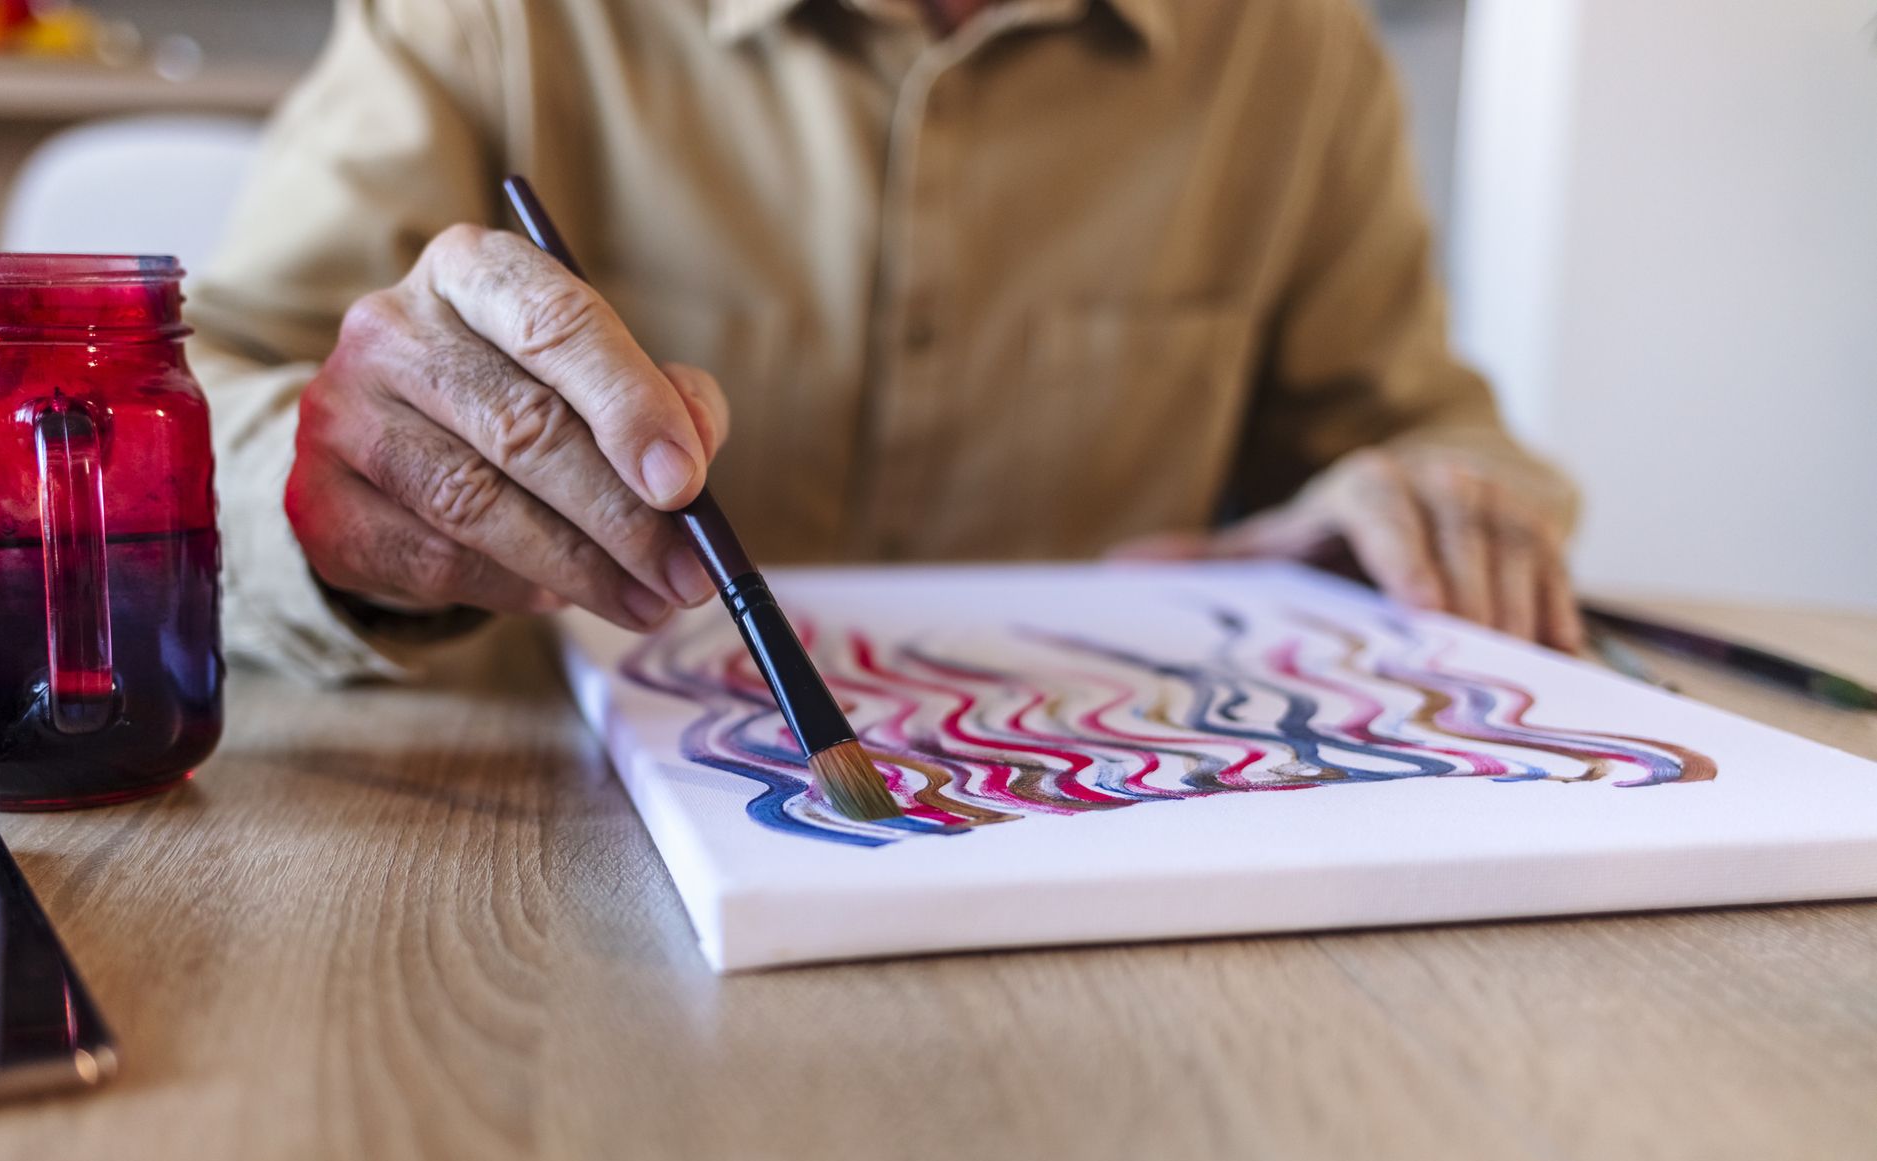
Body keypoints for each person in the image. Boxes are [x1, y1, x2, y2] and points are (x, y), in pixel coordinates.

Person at [187, 0, 1583, 685]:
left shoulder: (1291, 49)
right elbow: (187, 396)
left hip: (1102, 866)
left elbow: (1433, 436)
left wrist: (1408, 516)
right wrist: (330, 486)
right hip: (525, 866)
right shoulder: (489, 19)